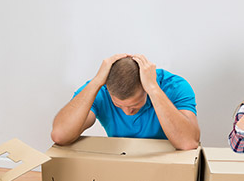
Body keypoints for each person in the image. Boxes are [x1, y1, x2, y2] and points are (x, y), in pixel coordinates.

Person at [51, 53, 200, 150]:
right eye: (118, 105)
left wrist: (154, 89)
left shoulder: (175, 86)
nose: (127, 112)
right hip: (122, 164)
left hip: (168, 166)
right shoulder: (100, 90)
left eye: (134, 105)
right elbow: (60, 135)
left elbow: (188, 143)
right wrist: (96, 82)